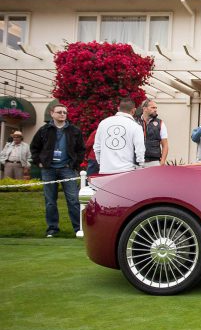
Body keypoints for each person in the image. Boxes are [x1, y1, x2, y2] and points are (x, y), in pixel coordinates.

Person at [29, 103, 85, 238]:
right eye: (59, 112)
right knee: (50, 201)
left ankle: (78, 229)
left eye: (64, 112)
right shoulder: (44, 130)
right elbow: (34, 148)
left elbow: (81, 150)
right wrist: (39, 163)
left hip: (67, 169)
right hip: (48, 169)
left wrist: (74, 164)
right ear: (52, 113)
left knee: (73, 200)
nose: (62, 114)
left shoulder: (74, 130)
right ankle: (52, 229)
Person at [94, 98, 145, 174]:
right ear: (134, 110)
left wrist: (101, 163)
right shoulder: (136, 126)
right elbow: (140, 150)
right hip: (126, 170)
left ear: (118, 109)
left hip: (105, 170)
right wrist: (141, 165)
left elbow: (97, 148)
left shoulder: (103, 123)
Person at [136, 99, 168, 167]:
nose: (155, 110)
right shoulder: (135, 122)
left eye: (156, 108)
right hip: (136, 162)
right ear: (145, 109)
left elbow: (165, 145)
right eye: (153, 107)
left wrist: (162, 161)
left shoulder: (160, 123)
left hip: (154, 161)